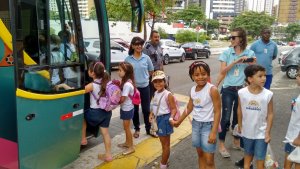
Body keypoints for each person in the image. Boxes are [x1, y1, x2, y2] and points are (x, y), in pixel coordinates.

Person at [172, 61, 221, 169]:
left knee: (209, 161)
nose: (200, 77)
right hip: (196, 125)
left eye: (203, 74)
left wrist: (213, 132)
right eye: (196, 75)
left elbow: (217, 111)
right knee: (200, 155)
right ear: (192, 76)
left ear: (208, 74)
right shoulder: (192, 90)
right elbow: (189, 107)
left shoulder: (212, 90)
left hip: (209, 126)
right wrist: (179, 121)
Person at [216, 27, 256, 158]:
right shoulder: (227, 53)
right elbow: (223, 71)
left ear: (241, 39)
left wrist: (252, 64)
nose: (231, 39)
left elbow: (253, 72)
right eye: (230, 37)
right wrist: (237, 61)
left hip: (243, 90)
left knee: (239, 117)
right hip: (228, 89)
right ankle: (221, 144)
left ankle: (236, 141)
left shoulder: (250, 52)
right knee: (226, 117)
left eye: (233, 37)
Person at [237, 64, 274, 169]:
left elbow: (270, 113)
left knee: (260, 159)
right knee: (248, 154)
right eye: (260, 76)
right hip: (247, 132)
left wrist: (267, 131)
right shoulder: (241, 93)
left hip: (261, 133)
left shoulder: (268, 94)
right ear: (250, 79)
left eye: (264, 76)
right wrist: (239, 124)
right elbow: (239, 109)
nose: (264, 78)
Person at [81, 61, 113, 162]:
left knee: (82, 116)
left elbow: (78, 91)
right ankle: (108, 155)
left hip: (95, 113)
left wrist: (65, 87)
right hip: (107, 112)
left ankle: (83, 139)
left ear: (92, 73)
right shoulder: (107, 82)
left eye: (89, 70)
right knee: (105, 133)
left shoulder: (92, 85)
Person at [125, 37, 155, 138]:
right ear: (132, 46)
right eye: (136, 44)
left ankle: (148, 128)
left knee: (146, 109)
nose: (139, 46)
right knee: (135, 110)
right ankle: (137, 129)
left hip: (145, 87)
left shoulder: (146, 58)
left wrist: (145, 78)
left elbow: (151, 71)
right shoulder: (128, 59)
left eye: (140, 44)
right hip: (133, 89)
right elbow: (126, 74)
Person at [149, 70, 177, 169]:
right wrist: (151, 114)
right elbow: (155, 106)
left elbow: (174, 108)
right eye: (155, 82)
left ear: (165, 81)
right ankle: (165, 161)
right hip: (158, 120)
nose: (158, 84)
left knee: (165, 145)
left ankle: (163, 166)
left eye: (160, 81)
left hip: (165, 120)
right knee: (163, 143)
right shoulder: (155, 93)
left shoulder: (168, 94)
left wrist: (171, 117)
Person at [117, 62, 136, 155]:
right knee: (126, 127)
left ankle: (131, 147)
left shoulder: (127, 85)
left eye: (120, 70)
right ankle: (127, 143)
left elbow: (123, 98)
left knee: (127, 128)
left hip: (127, 108)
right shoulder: (127, 81)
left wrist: (113, 102)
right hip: (127, 107)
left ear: (126, 72)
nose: (118, 72)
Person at [283, 67, 300, 169]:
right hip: (292, 136)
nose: (296, 77)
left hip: (295, 138)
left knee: (290, 165)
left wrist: (298, 138)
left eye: (298, 75)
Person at [143, 30, 164, 99]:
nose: (157, 38)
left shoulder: (159, 46)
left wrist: (162, 73)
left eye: (158, 37)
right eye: (155, 37)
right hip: (151, 75)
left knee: (159, 93)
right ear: (151, 38)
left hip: (159, 73)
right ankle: (149, 109)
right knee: (150, 94)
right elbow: (144, 63)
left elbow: (161, 60)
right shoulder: (147, 48)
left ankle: (157, 108)